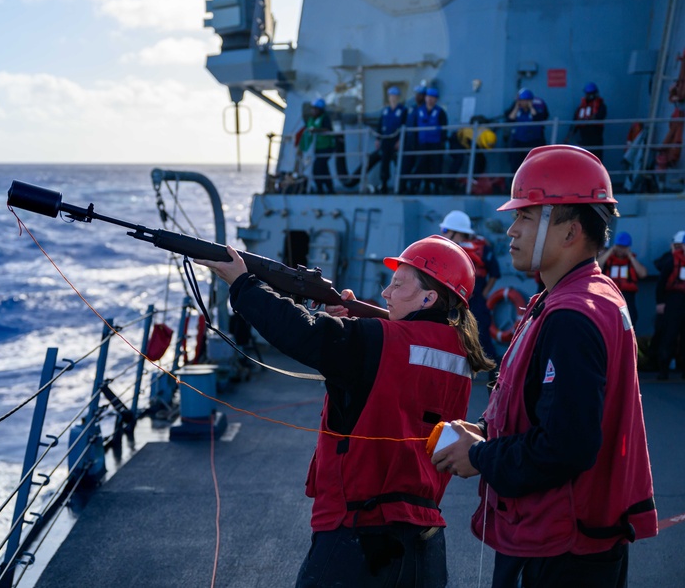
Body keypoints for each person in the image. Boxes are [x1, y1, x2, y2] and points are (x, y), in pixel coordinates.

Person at [196, 236, 496, 587]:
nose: (385, 293)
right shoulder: (461, 357)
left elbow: (301, 333)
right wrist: (356, 326)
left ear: (428, 298)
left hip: (358, 544)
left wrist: (244, 284)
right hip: (425, 547)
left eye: (398, 284)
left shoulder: (378, 340)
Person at [432, 145, 658, 587]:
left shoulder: (571, 315)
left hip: (558, 549)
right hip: (572, 541)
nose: (511, 230)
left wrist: (478, 455)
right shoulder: (587, 296)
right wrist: (488, 430)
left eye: (527, 216)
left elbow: (567, 445)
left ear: (571, 230)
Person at [439, 210, 501, 382]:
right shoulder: (449, 250)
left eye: (445, 231)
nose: (443, 234)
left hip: (475, 299)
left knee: (483, 335)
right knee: (450, 334)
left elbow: (494, 273)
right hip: (454, 300)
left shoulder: (481, 249)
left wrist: (484, 294)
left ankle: (495, 378)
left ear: (458, 232)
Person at [349, 86, 408, 194]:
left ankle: (401, 186)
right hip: (385, 140)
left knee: (399, 163)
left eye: (395, 96)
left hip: (396, 141)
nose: (393, 98)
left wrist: (400, 140)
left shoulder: (403, 111)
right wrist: (378, 139)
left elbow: (404, 125)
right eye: (391, 96)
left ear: (398, 97)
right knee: (384, 163)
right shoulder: (385, 111)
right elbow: (380, 126)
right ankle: (384, 184)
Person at [599, 231, 648, 327]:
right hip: (609, 297)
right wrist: (610, 251)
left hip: (627, 298)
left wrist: (630, 256)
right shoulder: (608, 260)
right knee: (609, 323)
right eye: (619, 246)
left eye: (624, 247)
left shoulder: (631, 262)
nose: (621, 250)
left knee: (627, 325)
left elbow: (643, 274)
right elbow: (597, 265)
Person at [654, 229, 685, 380]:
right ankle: (663, 370)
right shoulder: (672, 260)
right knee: (669, 335)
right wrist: (660, 302)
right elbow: (661, 283)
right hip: (674, 300)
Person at [406, 87, 448, 194]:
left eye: (432, 98)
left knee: (435, 165)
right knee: (420, 165)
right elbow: (414, 128)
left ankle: (436, 186)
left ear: (436, 99)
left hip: (435, 143)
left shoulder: (440, 112)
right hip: (422, 143)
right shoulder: (418, 111)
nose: (430, 100)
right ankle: (415, 186)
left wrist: (442, 142)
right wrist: (414, 143)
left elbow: (444, 128)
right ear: (425, 98)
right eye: (428, 97)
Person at [504, 88, 549, 171]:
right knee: (516, 165)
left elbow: (539, 119)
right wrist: (516, 107)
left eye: (523, 100)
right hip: (518, 141)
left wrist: (530, 106)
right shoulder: (516, 108)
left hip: (534, 141)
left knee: (534, 165)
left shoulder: (537, 108)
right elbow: (509, 120)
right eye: (519, 100)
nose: (521, 102)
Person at [300, 98, 337, 194]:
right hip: (317, 148)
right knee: (322, 169)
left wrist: (317, 130)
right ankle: (325, 189)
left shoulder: (325, 118)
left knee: (318, 168)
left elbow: (327, 129)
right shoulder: (311, 120)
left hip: (327, 147)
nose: (313, 111)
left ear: (320, 110)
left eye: (315, 109)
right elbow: (306, 131)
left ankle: (325, 189)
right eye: (312, 109)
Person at [564, 82, 607, 159]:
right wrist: (568, 136)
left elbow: (600, 116)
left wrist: (590, 119)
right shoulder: (581, 107)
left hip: (596, 138)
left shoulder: (601, 106)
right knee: (584, 159)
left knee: (596, 159)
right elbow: (575, 122)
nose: (588, 96)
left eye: (590, 94)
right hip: (583, 138)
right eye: (587, 94)